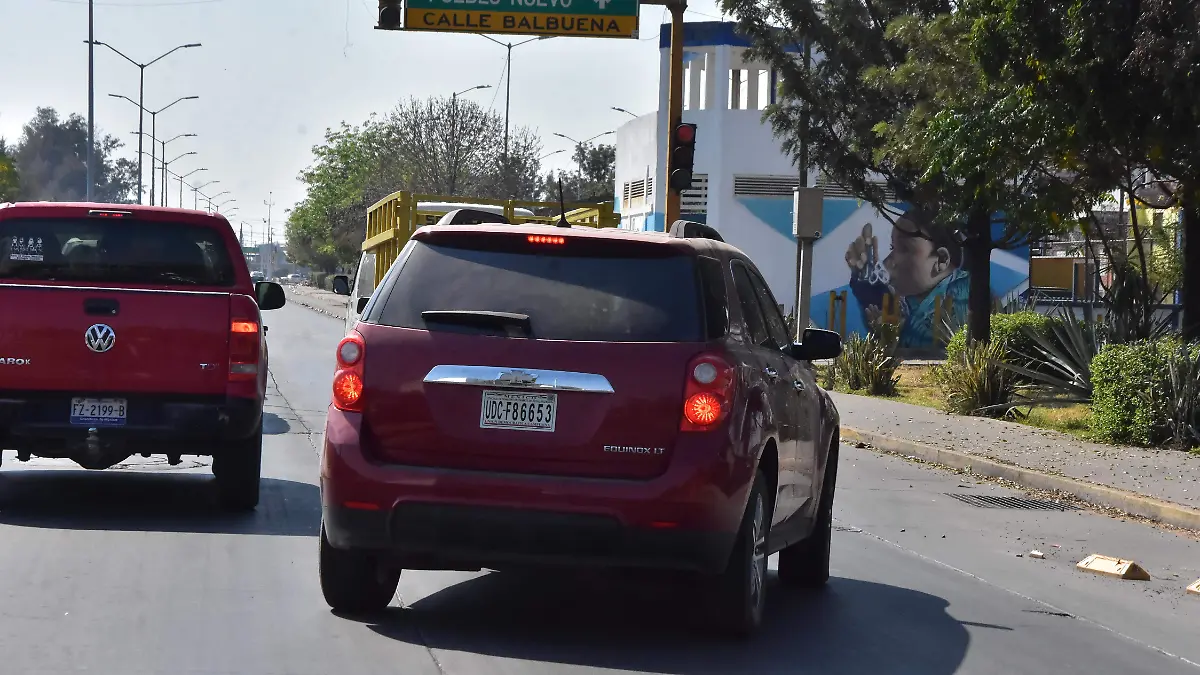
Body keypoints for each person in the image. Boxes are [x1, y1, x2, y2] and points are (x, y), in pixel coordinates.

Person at [844, 208, 970, 348]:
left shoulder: (963, 293)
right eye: (893, 247)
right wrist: (866, 286)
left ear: (941, 259)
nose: (888, 262)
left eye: (904, 249)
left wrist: (901, 329)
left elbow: (941, 344)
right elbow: (888, 307)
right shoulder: (912, 299)